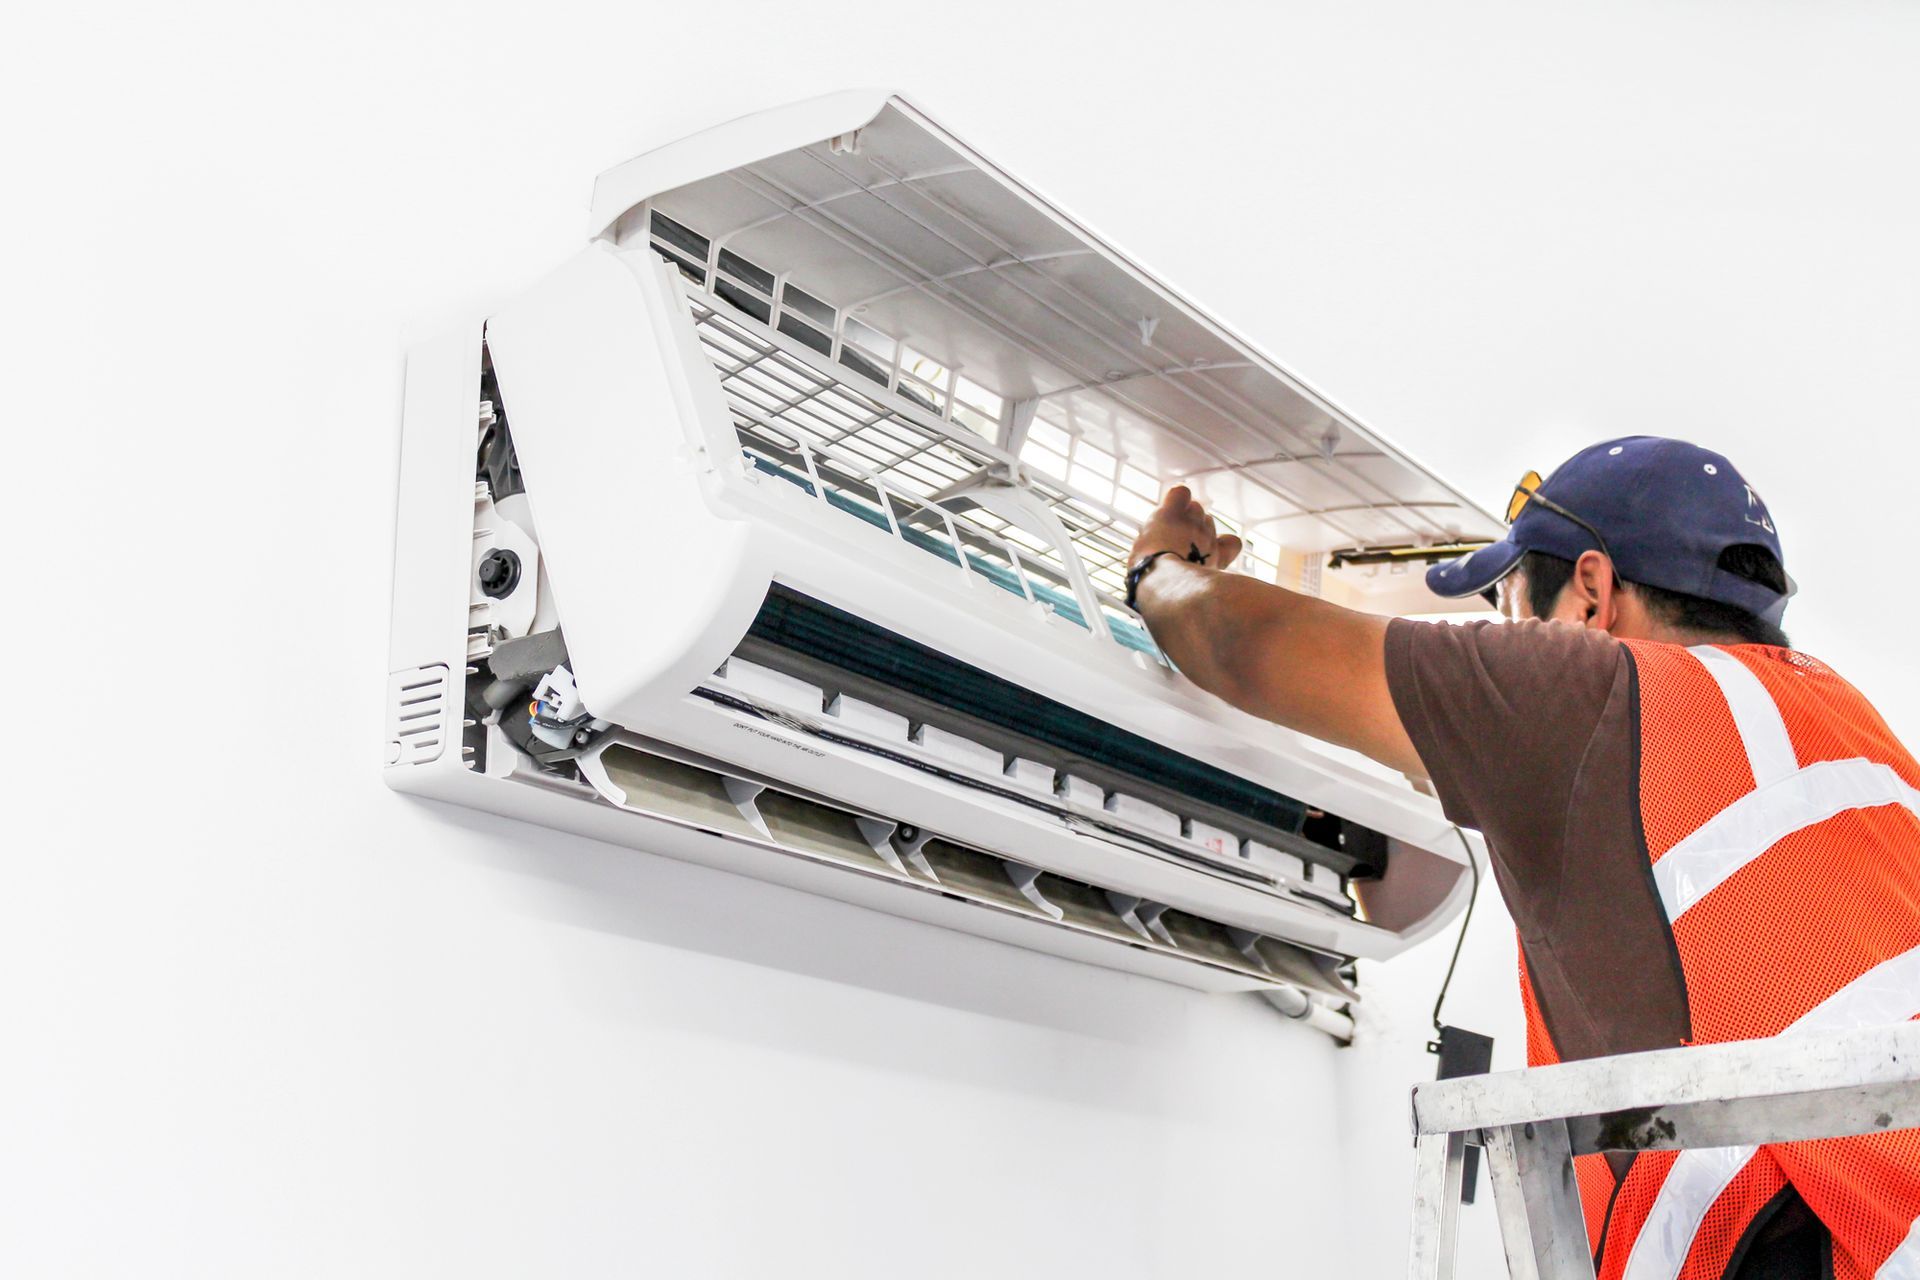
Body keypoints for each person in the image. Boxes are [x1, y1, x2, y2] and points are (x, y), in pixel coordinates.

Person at [1125, 435, 1920, 1280]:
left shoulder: (1592, 691)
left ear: (1589, 593)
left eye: (1508, 608)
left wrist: (1156, 568)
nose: (1507, 636)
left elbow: (1237, 643)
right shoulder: (1848, 727)